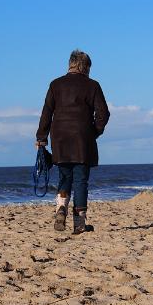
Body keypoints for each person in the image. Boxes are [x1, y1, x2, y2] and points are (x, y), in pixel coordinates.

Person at [35, 49, 110, 234]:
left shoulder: (55, 84)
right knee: (81, 181)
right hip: (82, 139)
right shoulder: (92, 86)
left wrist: (41, 138)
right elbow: (103, 114)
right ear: (85, 66)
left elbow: (47, 112)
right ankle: (79, 223)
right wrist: (94, 132)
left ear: (70, 64)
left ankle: (61, 209)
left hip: (59, 138)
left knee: (64, 176)